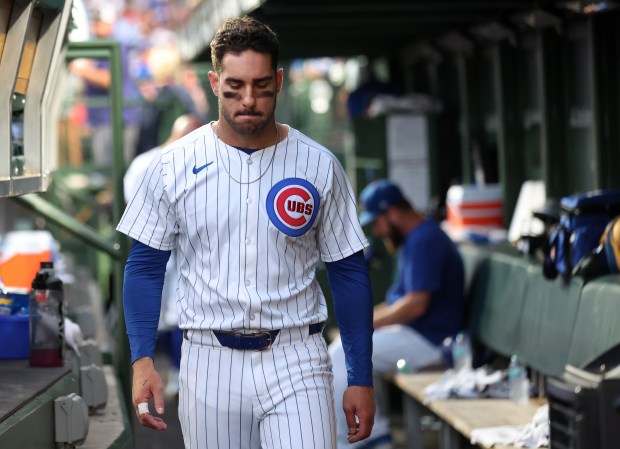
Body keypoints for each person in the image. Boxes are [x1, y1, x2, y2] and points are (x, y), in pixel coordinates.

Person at [117, 16, 375, 449]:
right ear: (215, 83)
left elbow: (349, 272)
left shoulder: (318, 164)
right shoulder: (171, 165)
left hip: (297, 356)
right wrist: (142, 359)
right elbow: (144, 267)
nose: (249, 99)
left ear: (279, 80)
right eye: (235, 87)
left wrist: (360, 376)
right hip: (208, 357)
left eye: (261, 85)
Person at [329, 179, 465, 448]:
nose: (377, 230)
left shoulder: (426, 238)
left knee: (343, 352)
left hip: (434, 341)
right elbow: (397, 305)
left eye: (377, 221)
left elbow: (415, 305)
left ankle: (366, 441)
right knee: (345, 348)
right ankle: (372, 437)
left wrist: (361, 325)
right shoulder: (415, 238)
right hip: (417, 334)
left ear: (392, 212)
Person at [123, 114, 204, 398]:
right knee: (162, 318)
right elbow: (139, 214)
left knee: (179, 316)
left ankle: (181, 375)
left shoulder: (198, 161)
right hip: (156, 251)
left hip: (188, 255)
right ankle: (163, 373)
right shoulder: (146, 163)